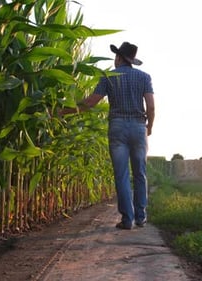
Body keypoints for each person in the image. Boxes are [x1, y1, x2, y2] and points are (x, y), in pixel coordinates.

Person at [59, 42, 155, 230]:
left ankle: (127, 220)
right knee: (140, 174)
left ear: (119, 58)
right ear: (131, 61)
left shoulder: (108, 77)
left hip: (117, 127)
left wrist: (63, 111)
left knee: (121, 175)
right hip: (138, 127)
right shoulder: (144, 77)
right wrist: (149, 127)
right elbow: (151, 107)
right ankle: (141, 217)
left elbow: (90, 103)